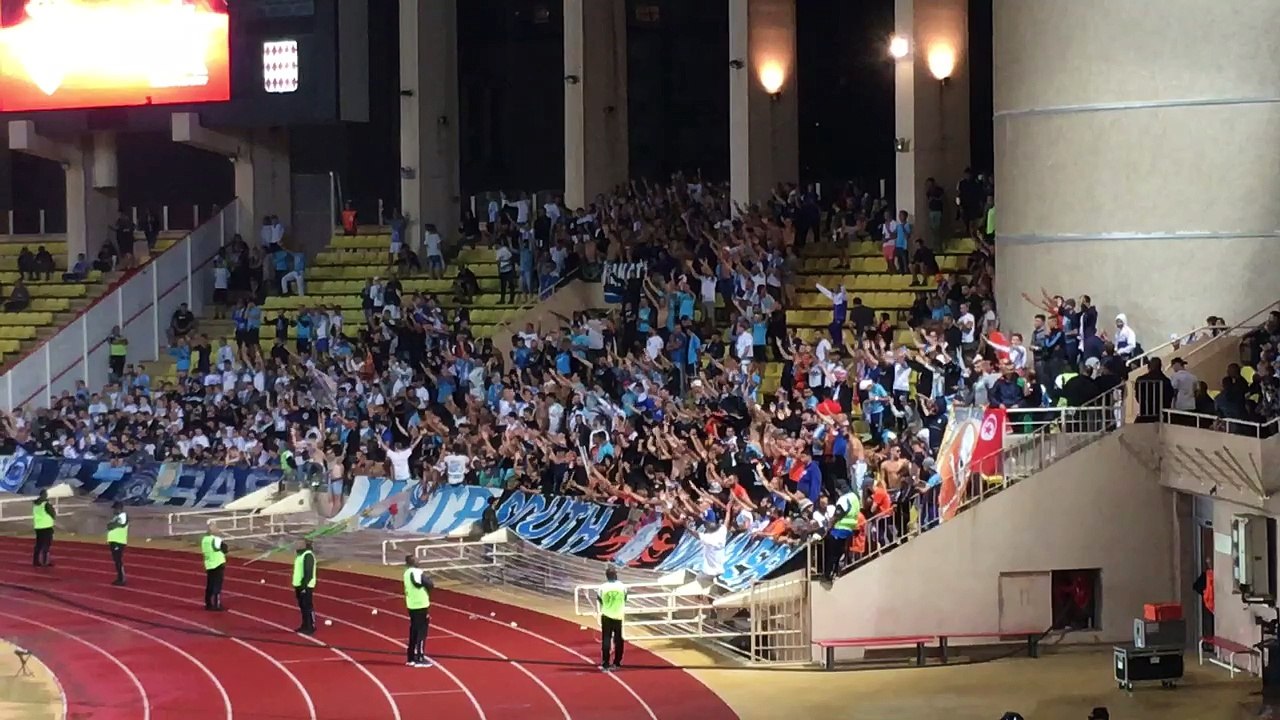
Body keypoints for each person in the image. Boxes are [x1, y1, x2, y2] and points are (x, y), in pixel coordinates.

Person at [403, 555, 434, 668]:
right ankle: (419, 658)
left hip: (411, 604)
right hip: (420, 605)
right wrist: (429, 580)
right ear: (413, 562)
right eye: (416, 559)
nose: (419, 560)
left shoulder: (406, 573)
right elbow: (429, 584)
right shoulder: (416, 572)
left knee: (413, 632)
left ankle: (411, 657)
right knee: (421, 633)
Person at [597, 566, 627, 672]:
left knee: (606, 639)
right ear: (615, 575)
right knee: (618, 639)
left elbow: (600, 599)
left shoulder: (602, 587)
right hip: (618, 615)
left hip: (606, 614)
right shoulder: (622, 586)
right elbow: (625, 598)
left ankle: (605, 663)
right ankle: (617, 662)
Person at [202, 522, 228, 611]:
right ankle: (217, 604)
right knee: (217, 585)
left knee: (210, 585)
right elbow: (225, 549)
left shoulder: (204, 540)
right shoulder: (216, 539)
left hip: (209, 564)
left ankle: (208, 603)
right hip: (218, 563)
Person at [293, 539, 317, 634]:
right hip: (299, 585)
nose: (296, 545)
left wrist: (304, 586)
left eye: (299, 543)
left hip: (306, 586)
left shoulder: (308, 555)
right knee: (303, 606)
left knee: (307, 606)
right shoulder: (300, 555)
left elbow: (308, 573)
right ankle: (305, 625)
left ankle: (311, 626)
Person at [31, 489, 56, 568]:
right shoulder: (46, 504)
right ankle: (45, 562)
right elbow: (53, 513)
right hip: (47, 526)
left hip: (38, 526)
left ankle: (36, 561)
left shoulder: (36, 505)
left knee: (38, 545)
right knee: (46, 545)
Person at [107, 500, 128, 585]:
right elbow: (109, 526)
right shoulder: (116, 517)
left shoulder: (123, 516)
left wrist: (112, 524)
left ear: (118, 508)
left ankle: (122, 578)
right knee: (116, 560)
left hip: (118, 541)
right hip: (114, 540)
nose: (114, 510)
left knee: (118, 560)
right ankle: (120, 577)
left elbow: (114, 525)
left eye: (115, 509)